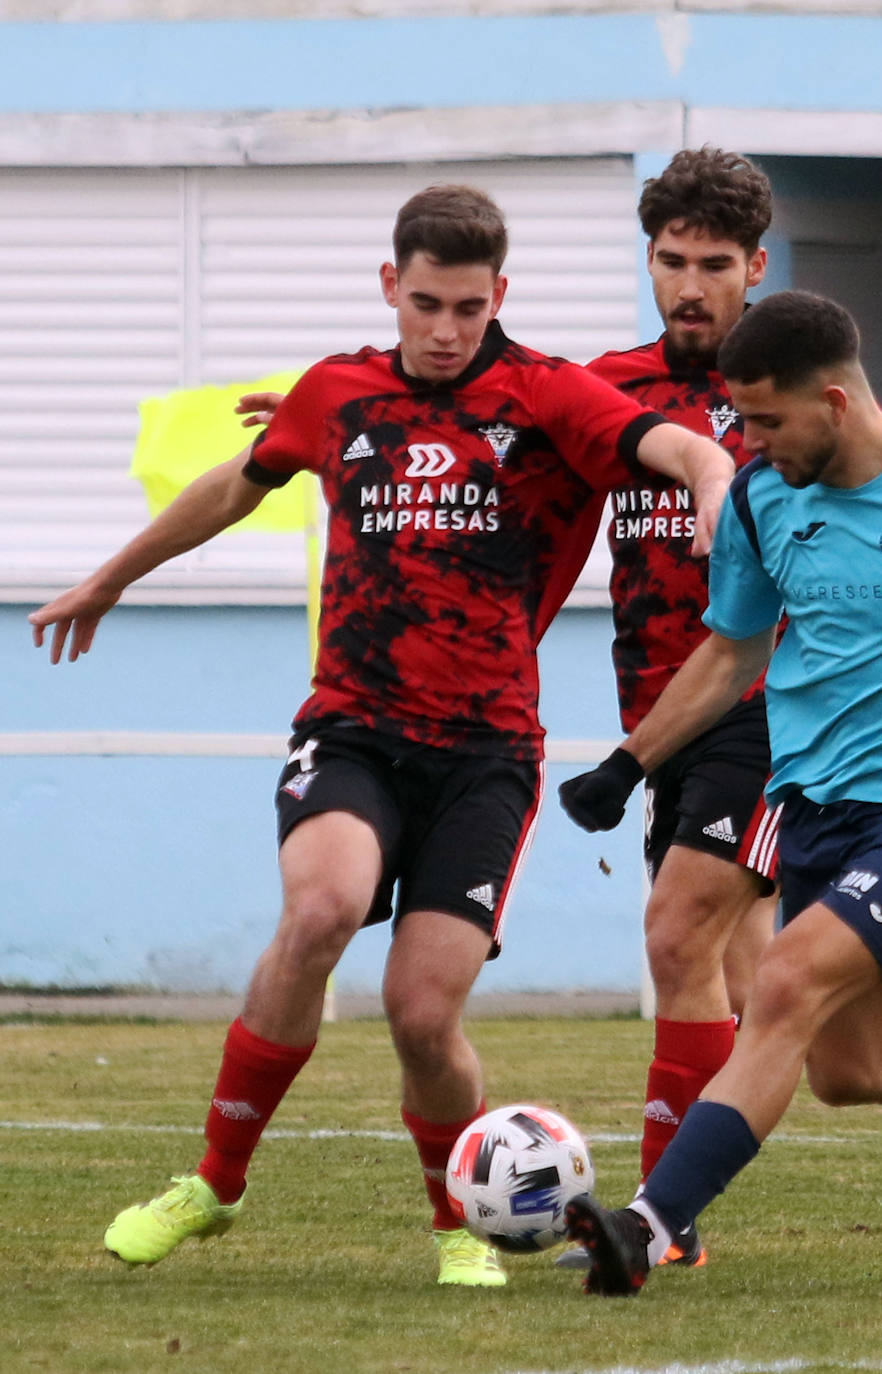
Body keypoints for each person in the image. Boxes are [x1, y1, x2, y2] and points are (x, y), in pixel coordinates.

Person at [28, 184, 737, 1289]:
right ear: (388, 290)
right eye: (424, 304)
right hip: (351, 729)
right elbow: (235, 485)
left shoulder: (549, 395)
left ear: (499, 295)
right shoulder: (338, 390)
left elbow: (674, 445)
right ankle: (213, 1185)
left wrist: (706, 480)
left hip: (486, 755)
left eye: (467, 305)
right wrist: (106, 578)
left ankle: (456, 1225)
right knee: (317, 911)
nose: (445, 329)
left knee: (419, 1011)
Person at [555, 148, 882, 1272]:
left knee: (741, 966)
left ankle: (649, 1227)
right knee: (843, 1066)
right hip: (789, 777)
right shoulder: (693, 447)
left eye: (713, 263)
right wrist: (629, 761)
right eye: (668, 260)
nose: (748, 448)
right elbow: (728, 642)